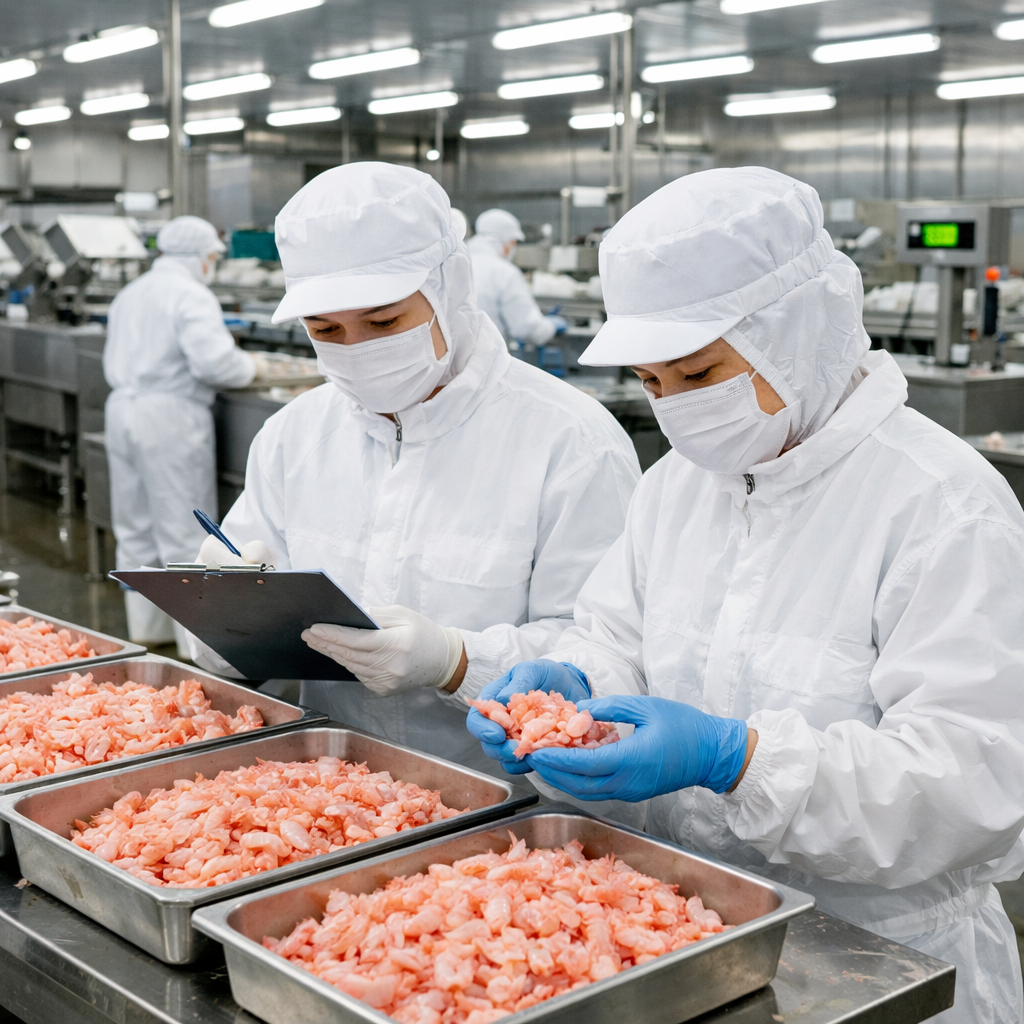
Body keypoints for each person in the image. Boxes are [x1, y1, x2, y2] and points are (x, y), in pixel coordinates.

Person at [469, 167, 1024, 1023]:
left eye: (697, 374)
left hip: (887, 961)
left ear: (794, 334)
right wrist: (567, 684)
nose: (675, 411)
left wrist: (740, 758)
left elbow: (975, 788)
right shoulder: (678, 487)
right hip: (687, 937)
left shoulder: (942, 506)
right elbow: (614, 636)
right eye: (653, 384)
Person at [190, 163, 640, 776]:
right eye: (325, 329)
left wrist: (457, 663)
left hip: (508, 803)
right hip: (332, 792)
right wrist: (221, 620)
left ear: (449, 289)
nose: (356, 349)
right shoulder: (295, 435)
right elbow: (236, 607)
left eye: (383, 322)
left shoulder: (571, 441)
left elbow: (609, 656)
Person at [104, 215, 266, 651]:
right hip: (169, 417)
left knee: (134, 523)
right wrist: (258, 367)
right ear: (202, 257)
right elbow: (216, 365)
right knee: (183, 531)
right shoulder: (191, 295)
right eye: (212, 256)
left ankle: (148, 632)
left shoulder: (131, 291)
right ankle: (193, 645)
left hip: (122, 410)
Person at [467, 209, 567, 346]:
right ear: (506, 243)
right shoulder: (503, 272)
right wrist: (550, 326)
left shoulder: (457, 262)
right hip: (485, 357)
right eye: (513, 243)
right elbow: (525, 328)